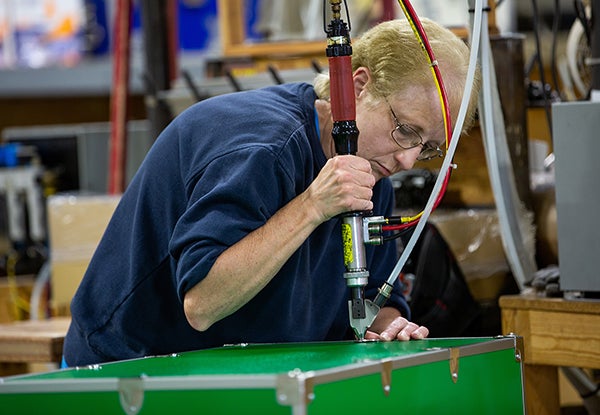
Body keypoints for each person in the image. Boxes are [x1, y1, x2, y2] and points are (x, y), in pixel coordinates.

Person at [63, 17, 480, 366]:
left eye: (428, 148)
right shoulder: (261, 148)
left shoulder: (370, 169)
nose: (408, 161)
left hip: (245, 373)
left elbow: (369, 300)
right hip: (129, 369)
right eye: (406, 130)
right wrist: (313, 205)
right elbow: (203, 302)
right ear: (357, 86)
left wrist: (388, 324)